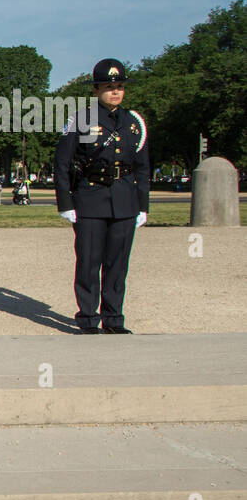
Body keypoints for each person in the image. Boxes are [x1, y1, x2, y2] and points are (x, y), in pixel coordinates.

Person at [54, 58, 150, 334]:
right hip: (90, 198)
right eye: (109, 86)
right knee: (88, 261)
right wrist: (66, 202)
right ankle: (87, 317)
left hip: (124, 200)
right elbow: (62, 163)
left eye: (119, 86)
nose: (115, 91)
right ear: (95, 89)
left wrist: (142, 205)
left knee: (117, 263)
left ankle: (114, 318)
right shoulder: (81, 120)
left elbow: (142, 168)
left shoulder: (134, 123)